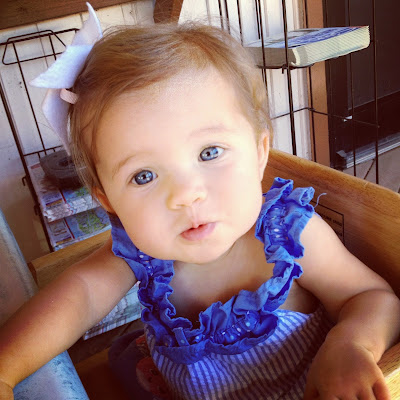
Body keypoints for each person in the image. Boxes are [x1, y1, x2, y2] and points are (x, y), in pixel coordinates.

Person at [1, 8, 400, 400]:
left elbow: (371, 298)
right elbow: (79, 297)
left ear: (259, 152)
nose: (186, 194)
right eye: (144, 176)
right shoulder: (140, 251)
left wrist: (352, 343)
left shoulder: (290, 236)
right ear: (108, 201)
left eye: (210, 153)